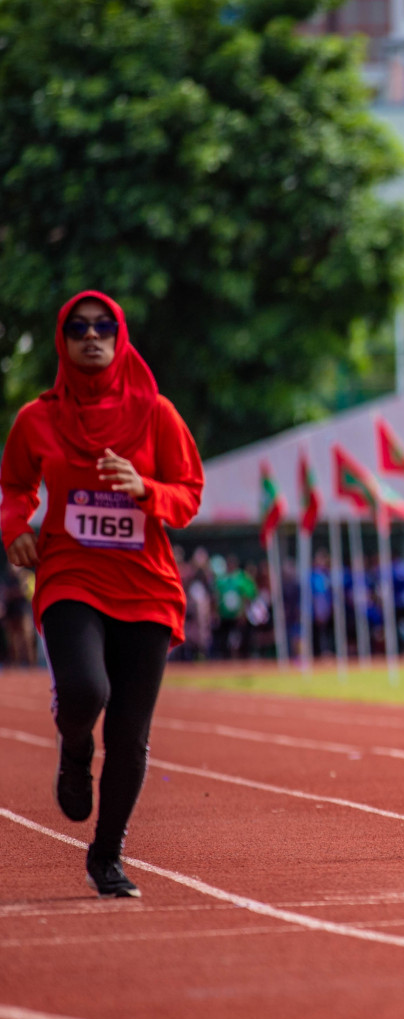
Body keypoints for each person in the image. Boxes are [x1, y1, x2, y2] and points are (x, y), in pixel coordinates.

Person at [1, 291, 204, 898]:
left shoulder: (158, 414)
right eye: (78, 328)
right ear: (61, 342)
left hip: (146, 585)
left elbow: (189, 495)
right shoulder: (36, 418)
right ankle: (72, 743)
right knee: (88, 689)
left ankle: (107, 854)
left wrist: (145, 488)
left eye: (104, 327)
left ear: (121, 340)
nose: (92, 337)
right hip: (70, 575)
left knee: (130, 734)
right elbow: (14, 484)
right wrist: (14, 530)